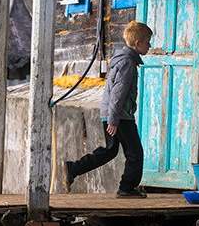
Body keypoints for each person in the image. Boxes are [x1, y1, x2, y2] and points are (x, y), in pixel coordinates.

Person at [62, 21, 152, 199]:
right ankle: (127, 188)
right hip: (120, 116)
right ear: (137, 43)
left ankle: (74, 168)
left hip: (112, 113)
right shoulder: (127, 63)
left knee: (110, 150)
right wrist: (114, 119)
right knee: (135, 152)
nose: (149, 46)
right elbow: (118, 93)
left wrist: (111, 117)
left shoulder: (121, 59)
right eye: (148, 42)